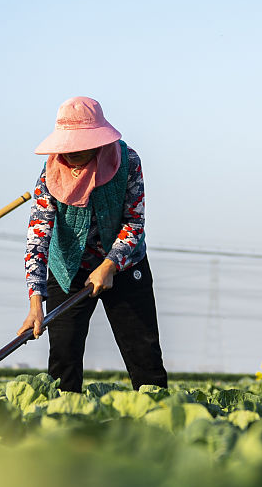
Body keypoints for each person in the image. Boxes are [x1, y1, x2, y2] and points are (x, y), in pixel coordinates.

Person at [19, 96, 168, 392]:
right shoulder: (49, 176)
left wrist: (109, 265)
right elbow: (38, 240)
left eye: (80, 144)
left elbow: (134, 223)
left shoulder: (128, 162)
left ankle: (159, 422)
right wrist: (36, 302)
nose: (72, 152)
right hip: (69, 271)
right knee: (63, 360)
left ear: (97, 141)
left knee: (144, 355)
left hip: (124, 266)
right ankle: (63, 425)